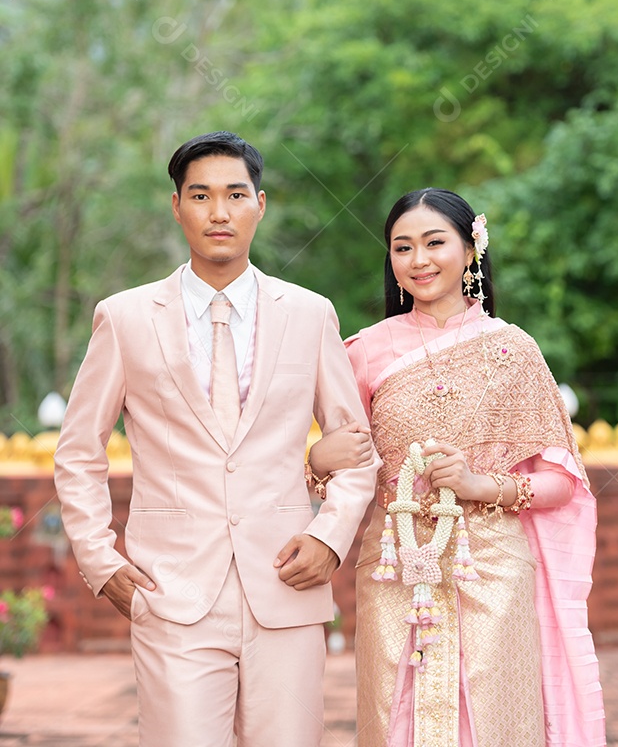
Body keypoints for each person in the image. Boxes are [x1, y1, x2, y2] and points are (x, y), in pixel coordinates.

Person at [54, 130, 379, 747]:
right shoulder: (124, 318)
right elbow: (78, 451)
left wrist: (330, 537)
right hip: (170, 591)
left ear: (261, 202)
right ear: (176, 206)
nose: (219, 212)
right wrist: (100, 559)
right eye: (200, 196)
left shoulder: (310, 314)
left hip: (287, 582)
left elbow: (356, 447)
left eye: (235, 194)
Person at [310, 187, 606, 747]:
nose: (418, 260)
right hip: (395, 566)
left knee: (496, 719)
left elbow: (562, 482)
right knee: (392, 714)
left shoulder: (513, 349)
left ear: (472, 248)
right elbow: (343, 465)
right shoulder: (363, 351)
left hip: (492, 567)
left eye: (434, 242)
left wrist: (480, 485)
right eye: (402, 247)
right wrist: (316, 462)